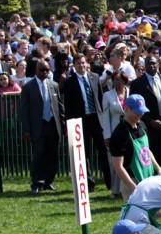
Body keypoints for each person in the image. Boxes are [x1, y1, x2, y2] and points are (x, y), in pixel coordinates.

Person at [63, 53, 111, 192]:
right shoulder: (69, 82)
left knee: (104, 151)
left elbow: (100, 99)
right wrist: (69, 125)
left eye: (83, 63)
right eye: (78, 63)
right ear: (75, 65)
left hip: (97, 119)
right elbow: (68, 106)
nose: (82, 65)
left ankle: (109, 181)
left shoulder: (94, 77)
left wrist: (104, 118)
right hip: (80, 120)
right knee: (84, 154)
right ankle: (88, 183)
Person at [20, 60, 64, 194]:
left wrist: (64, 126)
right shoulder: (28, 87)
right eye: (42, 70)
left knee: (53, 154)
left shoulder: (54, 85)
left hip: (52, 124)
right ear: (36, 70)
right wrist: (26, 129)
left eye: (47, 70)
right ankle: (37, 182)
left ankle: (49, 181)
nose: (45, 72)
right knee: (39, 154)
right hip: (38, 126)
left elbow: (60, 107)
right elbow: (24, 110)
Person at [109, 94, 161, 201]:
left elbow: (146, 150)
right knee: (135, 215)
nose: (140, 115)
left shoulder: (142, 125)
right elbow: (118, 167)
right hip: (133, 181)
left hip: (148, 177)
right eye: (137, 112)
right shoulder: (119, 134)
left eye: (142, 111)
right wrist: (133, 187)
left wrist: (158, 169)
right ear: (127, 109)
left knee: (151, 213)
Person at [129, 55, 161, 167]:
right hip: (148, 129)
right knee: (151, 163)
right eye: (149, 63)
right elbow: (134, 108)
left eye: (153, 63)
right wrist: (150, 121)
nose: (151, 65)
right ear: (144, 65)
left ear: (158, 64)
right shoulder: (137, 84)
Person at [102, 71, 130, 199]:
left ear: (124, 80)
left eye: (119, 79)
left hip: (129, 130)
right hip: (115, 131)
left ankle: (128, 186)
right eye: (115, 80)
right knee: (115, 161)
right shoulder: (108, 95)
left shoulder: (131, 93)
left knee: (128, 160)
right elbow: (105, 117)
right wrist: (107, 135)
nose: (117, 82)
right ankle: (115, 190)